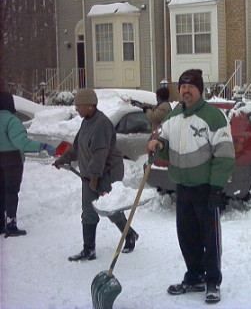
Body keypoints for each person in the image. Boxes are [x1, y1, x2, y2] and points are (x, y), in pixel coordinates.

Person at [147, 69, 235, 304]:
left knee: (210, 238)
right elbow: (163, 140)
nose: (186, 90)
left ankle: (212, 282)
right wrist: (157, 143)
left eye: (190, 87)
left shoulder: (214, 117)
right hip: (182, 186)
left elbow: (225, 155)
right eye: (183, 86)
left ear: (199, 90)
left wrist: (217, 188)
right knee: (187, 235)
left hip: (206, 187)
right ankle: (194, 276)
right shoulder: (174, 115)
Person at [52, 89, 139, 261]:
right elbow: (77, 147)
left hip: (107, 174)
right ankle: (88, 250)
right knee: (88, 212)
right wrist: (62, 159)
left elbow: (100, 154)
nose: (77, 109)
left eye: (79, 106)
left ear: (90, 106)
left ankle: (129, 235)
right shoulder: (86, 122)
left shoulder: (102, 124)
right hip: (90, 174)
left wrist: (94, 178)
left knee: (110, 209)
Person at [0, 91, 56, 237]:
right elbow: (21, 142)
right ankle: (11, 225)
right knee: (11, 192)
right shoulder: (11, 120)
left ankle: (0, 224)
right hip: (12, 161)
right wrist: (43, 146)